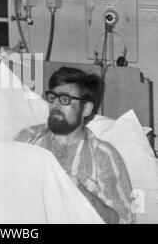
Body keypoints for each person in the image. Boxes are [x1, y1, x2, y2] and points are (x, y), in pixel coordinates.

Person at [15, 67, 135, 224]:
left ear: (86, 109)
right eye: (52, 98)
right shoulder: (27, 139)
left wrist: (80, 192)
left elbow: (125, 220)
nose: (55, 105)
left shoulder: (103, 156)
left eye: (65, 99)